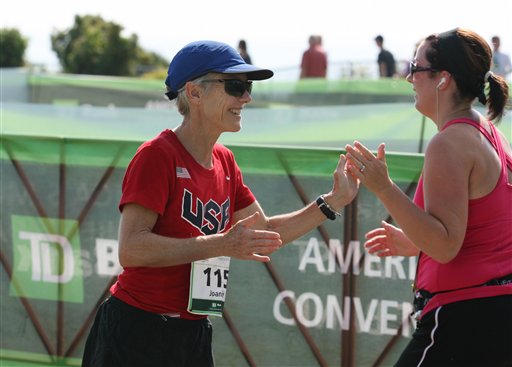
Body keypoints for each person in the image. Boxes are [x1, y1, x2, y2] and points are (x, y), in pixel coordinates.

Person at [81, 40, 358, 367]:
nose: (246, 97)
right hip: (138, 329)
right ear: (194, 93)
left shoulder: (225, 161)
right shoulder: (157, 155)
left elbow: (263, 233)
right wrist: (222, 243)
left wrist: (332, 201)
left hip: (193, 331)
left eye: (247, 86)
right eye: (235, 86)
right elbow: (132, 249)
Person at [346, 28, 512, 366]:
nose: (409, 77)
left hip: (465, 317)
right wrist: (415, 243)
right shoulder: (486, 132)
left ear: (443, 79)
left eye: (416, 67)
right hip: (491, 312)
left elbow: (445, 245)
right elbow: (478, 231)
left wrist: (383, 186)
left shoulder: (449, 142)